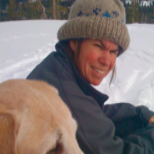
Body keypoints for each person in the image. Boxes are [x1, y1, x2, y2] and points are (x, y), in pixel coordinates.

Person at [27, 0, 154, 153]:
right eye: (99, 46)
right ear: (74, 41)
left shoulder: (58, 68)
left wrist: (138, 115)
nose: (107, 61)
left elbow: (95, 115)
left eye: (114, 51)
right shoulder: (65, 96)